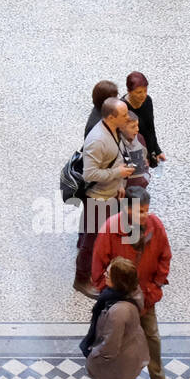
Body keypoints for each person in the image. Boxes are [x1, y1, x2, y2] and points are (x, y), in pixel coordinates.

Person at [91, 188, 172, 379]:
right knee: (117, 342)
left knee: (152, 336)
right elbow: (98, 268)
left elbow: (165, 256)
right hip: (119, 301)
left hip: (146, 297)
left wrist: (154, 290)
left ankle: (158, 377)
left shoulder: (155, 226)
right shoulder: (110, 229)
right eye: (140, 211)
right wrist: (110, 294)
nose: (146, 216)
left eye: (146, 211)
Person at [76, 97, 134, 298]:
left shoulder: (114, 131)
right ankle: (81, 279)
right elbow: (90, 175)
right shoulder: (98, 140)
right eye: (124, 115)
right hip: (97, 199)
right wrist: (117, 174)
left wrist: (119, 183)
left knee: (100, 236)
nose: (128, 117)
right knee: (90, 241)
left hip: (109, 195)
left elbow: (115, 159)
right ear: (111, 117)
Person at [81, 256, 148, 379]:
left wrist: (92, 355)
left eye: (109, 274)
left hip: (117, 364)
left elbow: (109, 349)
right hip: (126, 356)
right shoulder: (128, 293)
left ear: (119, 280)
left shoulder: (118, 311)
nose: (105, 274)